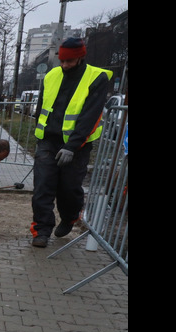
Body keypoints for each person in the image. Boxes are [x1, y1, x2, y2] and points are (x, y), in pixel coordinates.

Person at [29, 37, 112, 248]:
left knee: (69, 188)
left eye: (70, 62)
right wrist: (40, 135)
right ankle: (41, 230)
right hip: (48, 141)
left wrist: (72, 146)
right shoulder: (52, 75)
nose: (65, 65)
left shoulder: (96, 78)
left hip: (78, 145)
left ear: (80, 58)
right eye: (63, 61)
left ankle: (70, 216)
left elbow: (90, 116)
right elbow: (42, 107)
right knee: (42, 186)